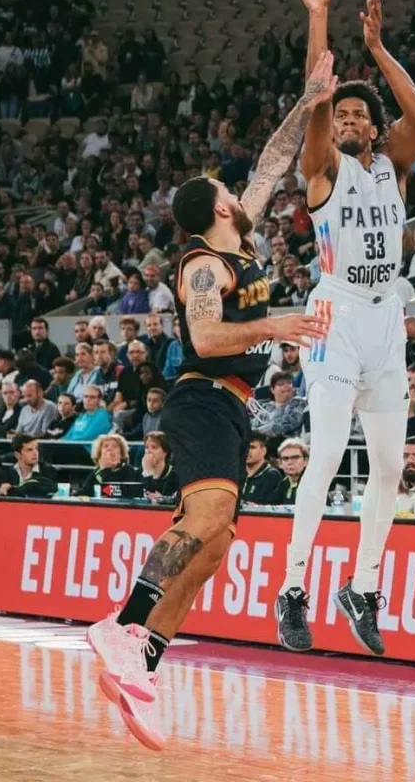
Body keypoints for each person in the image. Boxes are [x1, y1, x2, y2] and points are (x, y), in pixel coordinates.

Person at [88, 55, 331, 750]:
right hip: (200, 399)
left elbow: (273, 161)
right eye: (229, 191)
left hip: (232, 405)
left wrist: (311, 95)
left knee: (217, 542)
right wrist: (274, 326)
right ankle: (122, 621)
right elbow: (205, 333)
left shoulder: (241, 234)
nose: (239, 192)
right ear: (217, 208)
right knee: (210, 513)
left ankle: (144, 666)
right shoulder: (204, 264)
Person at [277, 0, 415, 660]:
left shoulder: (392, 166)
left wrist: (376, 48)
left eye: (359, 115)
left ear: (372, 127)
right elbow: (314, 104)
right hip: (335, 316)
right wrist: (318, 16)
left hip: (385, 321)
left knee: (392, 467)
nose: (349, 121)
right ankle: (294, 588)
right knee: (331, 453)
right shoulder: (324, 170)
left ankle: (362, 587)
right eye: (342, 116)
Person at [76, 433, 140, 496]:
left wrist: (106, 469)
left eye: (115, 446)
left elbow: (109, 493)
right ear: (100, 453)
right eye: (105, 446)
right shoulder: (97, 471)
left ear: (121, 453)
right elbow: (84, 492)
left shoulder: (127, 470)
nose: (109, 449)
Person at [0, 432, 58, 499]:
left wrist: (16, 489)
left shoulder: (47, 470)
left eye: (36, 448)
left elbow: (49, 489)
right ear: (18, 455)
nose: (35, 453)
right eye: (29, 450)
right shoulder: (8, 472)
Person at [241, 432, 283, 504]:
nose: (247, 451)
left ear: (264, 450)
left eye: (252, 447)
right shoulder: (237, 474)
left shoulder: (272, 476)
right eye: (245, 447)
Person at [140, 432, 179, 504]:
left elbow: (154, 501)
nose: (148, 451)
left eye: (154, 447)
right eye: (147, 447)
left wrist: (147, 473)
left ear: (165, 452)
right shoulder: (141, 472)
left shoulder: (174, 475)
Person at [270, 437, 309, 504]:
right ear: (280, 464)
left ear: (305, 461)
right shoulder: (283, 483)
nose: (290, 462)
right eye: (285, 458)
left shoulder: (312, 485)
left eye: (295, 457)